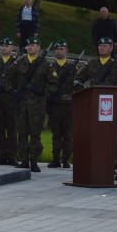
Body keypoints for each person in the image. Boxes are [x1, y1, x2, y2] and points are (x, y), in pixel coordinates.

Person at [10, 36, 54, 172]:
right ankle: (24, 159)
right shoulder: (20, 62)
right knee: (22, 133)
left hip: (37, 106)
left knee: (35, 133)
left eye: (33, 45)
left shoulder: (45, 64)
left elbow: (54, 84)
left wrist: (41, 91)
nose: (30, 47)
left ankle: (34, 160)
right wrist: (14, 92)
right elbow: (5, 78)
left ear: (39, 48)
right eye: (28, 45)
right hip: (22, 104)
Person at [45, 39, 76, 169]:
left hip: (68, 106)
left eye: (61, 49)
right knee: (56, 134)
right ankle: (56, 158)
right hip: (54, 105)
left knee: (67, 134)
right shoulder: (49, 67)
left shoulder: (72, 68)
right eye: (57, 49)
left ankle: (66, 159)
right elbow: (45, 85)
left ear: (66, 50)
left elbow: (77, 85)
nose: (59, 51)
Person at [0, 38, 20, 166]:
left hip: (10, 100)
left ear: (12, 48)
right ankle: (1, 155)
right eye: (2, 46)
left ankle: (12, 155)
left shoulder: (16, 63)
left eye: (7, 46)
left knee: (12, 128)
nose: (4, 48)